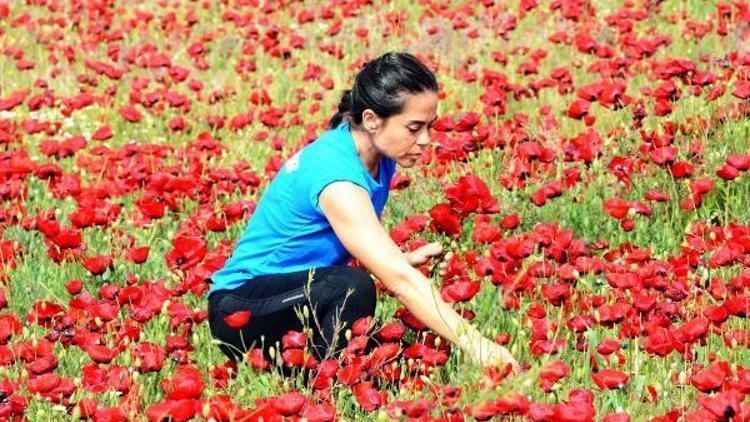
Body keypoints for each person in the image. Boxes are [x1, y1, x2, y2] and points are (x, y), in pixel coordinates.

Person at [207, 51, 518, 373]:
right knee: (350, 285)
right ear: (370, 120)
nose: (426, 141)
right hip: (241, 309)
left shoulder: (376, 154)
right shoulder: (337, 177)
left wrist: (398, 259)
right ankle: (325, 390)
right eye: (414, 128)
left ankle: (323, 381)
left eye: (430, 127)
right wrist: (479, 346)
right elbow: (397, 280)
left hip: (297, 296)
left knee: (395, 365)